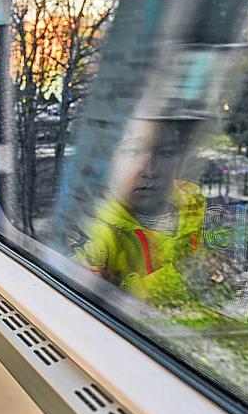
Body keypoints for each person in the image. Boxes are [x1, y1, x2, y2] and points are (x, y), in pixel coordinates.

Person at [71, 115, 207, 304]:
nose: (150, 171)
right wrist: (185, 276)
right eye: (133, 152)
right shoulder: (99, 235)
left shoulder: (191, 200)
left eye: (166, 153)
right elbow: (86, 306)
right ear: (106, 160)